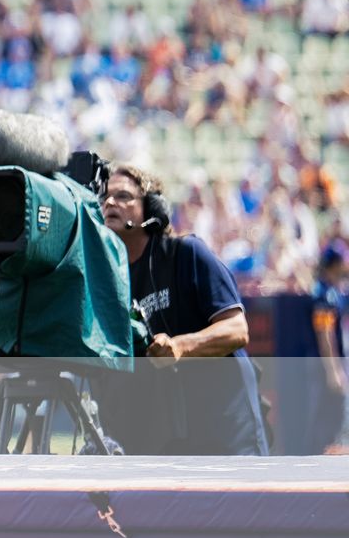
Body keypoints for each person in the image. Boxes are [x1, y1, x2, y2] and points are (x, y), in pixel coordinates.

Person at [99, 165, 266, 454]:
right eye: (106, 197)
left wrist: (179, 346)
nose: (111, 203)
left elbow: (237, 329)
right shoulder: (113, 279)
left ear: (152, 208)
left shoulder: (187, 253)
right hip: (173, 437)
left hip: (227, 429)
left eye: (124, 196)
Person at [311, 241, 347, 451]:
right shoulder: (323, 292)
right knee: (327, 417)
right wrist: (333, 369)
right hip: (323, 366)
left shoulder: (333, 290)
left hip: (332, 362)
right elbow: (324, 333)